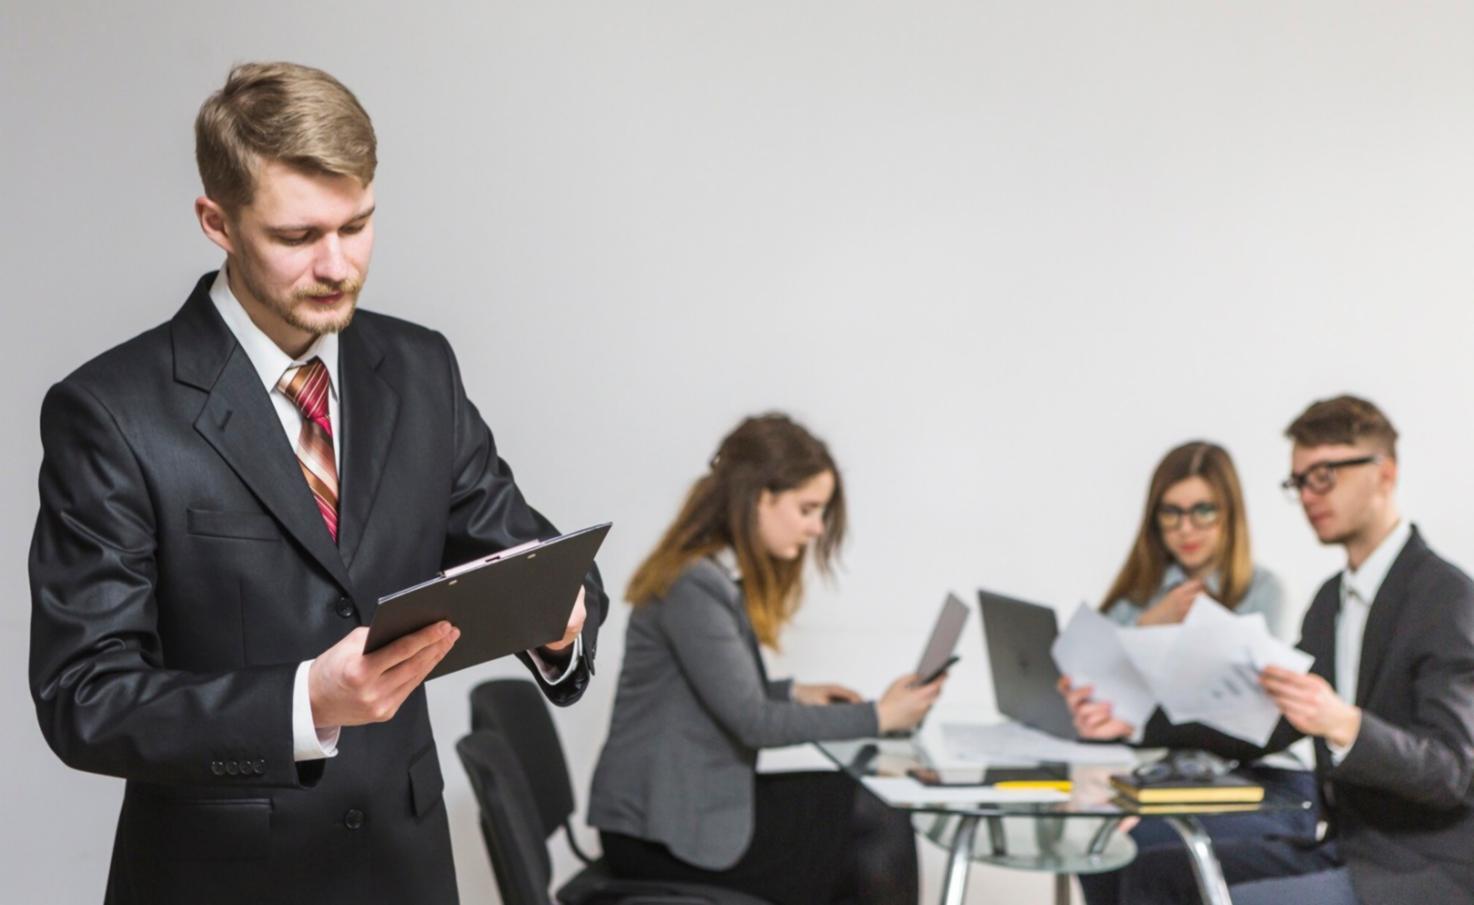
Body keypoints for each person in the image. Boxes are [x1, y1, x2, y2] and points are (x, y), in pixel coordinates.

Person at [27, 62, 605, 905]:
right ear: (217, 223)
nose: (337, 264)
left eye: (357, 225)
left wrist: (557, 621)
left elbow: (527, 552)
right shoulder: (111, 411)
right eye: (298, 236)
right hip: (218, 883)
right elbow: (86, 697)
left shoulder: (422, 368)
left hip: (407, 870)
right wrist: (303, 701)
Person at [1065, 396, 1474, 905]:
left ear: (1384, 473)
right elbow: (1266, 726)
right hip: (1343, 847)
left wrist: (1345, 724)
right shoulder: (1331, 601)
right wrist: (1134, 725)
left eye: (1324, 476)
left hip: (1420, 867)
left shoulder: (1447, 598)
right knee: (1151, 873)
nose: (1308, 496)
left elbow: (1452, 771)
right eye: (1299, 482)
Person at [587, 413, 942, 905]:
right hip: (663, 832)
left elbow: (717, 693)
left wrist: (795, 694)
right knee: (874, 818)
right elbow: (753, 722)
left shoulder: (705, 576)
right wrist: (880, 716)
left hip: (688, 807)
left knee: (870, 811)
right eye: (808, 509)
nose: (817, 528)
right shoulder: (694, 586)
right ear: (760, 498)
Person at [1067, 440, 1313, 905]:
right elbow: (1095, 708)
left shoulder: (1263, 591)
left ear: (1230, 514)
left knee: (1139, 847)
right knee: (1093, 837)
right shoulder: (1137, 600)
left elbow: (1255, 722)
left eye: (1203, 511)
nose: (1186, 528)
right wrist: (1147, 627)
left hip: (1256, 779)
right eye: (1171, 513)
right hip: (1160, 778)